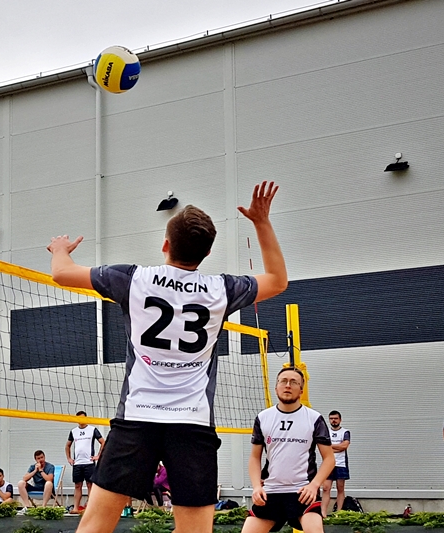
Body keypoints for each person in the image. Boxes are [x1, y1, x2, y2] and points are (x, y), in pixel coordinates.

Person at [46, 181, 288, 533]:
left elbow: (61, 272)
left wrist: (59, 249)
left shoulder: (133, 279)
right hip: (191, 423)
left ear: (165, 244)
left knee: (95, 525)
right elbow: (278, 280)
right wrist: (261, 221)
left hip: (137, 419)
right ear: (205, 254)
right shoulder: (221, 289)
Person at [243, 368, 335, 533]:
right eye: (283, 381)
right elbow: (254, 457)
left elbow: (329, 459)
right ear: (276, 387)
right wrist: (257, 487)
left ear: (301, 390)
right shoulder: (263, 418)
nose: (288, 385)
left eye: (294, 382)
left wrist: (314, 486)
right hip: (270, 492)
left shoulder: (314, 419)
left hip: (302, 491)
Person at [65, 411, 105, 514]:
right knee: (77, 486)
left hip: (89, 463)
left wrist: (98, 456)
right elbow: (68, 445)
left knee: (90, 485)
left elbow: (103, 442)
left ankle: (90, 508)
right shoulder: (73, 431)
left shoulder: (92, 430)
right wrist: (69, 458)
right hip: (77, 463)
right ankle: (76, 508)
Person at [321, 410, 350, 517]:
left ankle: (339, 512)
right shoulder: (325, 432)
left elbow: (344, 446)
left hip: (341, 464)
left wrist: (330, 447)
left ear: (340, 420)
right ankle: (323, 512)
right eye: (331, 418)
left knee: (340, 488)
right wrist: (337, 447)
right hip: (328, 463)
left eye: (335, 418)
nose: (333, 421)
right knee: (326, 488)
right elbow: (323, 446)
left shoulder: (345, 432)